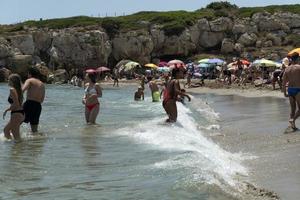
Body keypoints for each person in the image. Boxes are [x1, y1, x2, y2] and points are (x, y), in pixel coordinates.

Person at [22, 66, 45, 133]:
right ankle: (35, 142)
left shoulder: (29, 80)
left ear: (30, 74)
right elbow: (42, 100)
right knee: (34, 129)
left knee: (17, 121)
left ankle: (13, 138)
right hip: (38, 106)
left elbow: (22, 90)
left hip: (29, 104)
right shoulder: (42, 84)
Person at [3, 74, 25, 141]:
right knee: (6, 130)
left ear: (13, 81)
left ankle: (19, 149)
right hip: (19, 113)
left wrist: (6, 110)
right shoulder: (18, 89)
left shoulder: (12, 89)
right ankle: (14, 148)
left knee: (17, 138)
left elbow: (16, 104)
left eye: (9, 79)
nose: (7, 81)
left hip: (17, 114)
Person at [282, 52, 300, 130]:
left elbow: (284, 82)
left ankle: (292, 125)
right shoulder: (299, 67)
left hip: (290, 90)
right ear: (298, 59)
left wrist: (284, 92)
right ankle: (292, 120)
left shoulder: (287, 68)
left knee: (293, 109)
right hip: (298, 89)